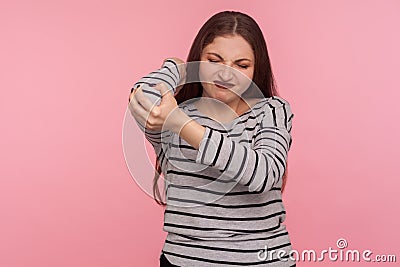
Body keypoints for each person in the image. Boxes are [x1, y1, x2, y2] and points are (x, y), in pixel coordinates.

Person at [128, 10, 296, 267]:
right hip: (184, 261)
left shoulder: (271, 111)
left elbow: (264, 174)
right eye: (214, 60)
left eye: (241, 66)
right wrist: (178, 69)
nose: (226, 75)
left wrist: (182, 124)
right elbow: (142, 97)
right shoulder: (170, 115)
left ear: (256, 69)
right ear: (198, 61)